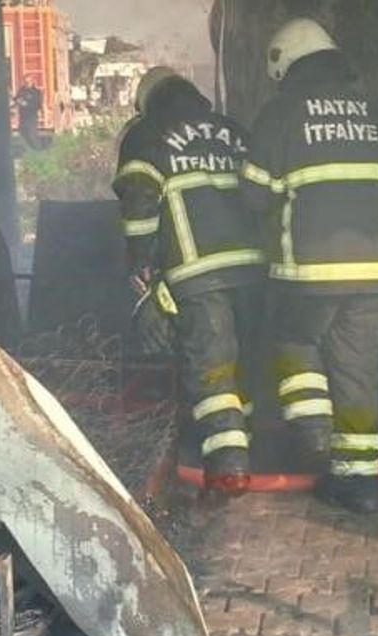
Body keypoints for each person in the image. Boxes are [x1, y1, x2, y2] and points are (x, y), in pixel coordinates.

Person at [240, 19, 378, 512]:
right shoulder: (371, 109)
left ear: (286, 65)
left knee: (293, 343)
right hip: (377, 273)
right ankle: (361, 482)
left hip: (310, 272)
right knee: (357, 371)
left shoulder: (282, 112)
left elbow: (254, 195)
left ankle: (314, 441)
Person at [113, 67, 267, 493]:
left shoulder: (146, 135)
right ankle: (246, 446)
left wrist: (140, 263)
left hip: (198, 272)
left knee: (212, 368)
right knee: (243, 366)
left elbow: (139, 201)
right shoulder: (231, 130)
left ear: (146, 102)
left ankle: (228, 467)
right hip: (254, 269)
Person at [13, 74, 44, 149]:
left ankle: (38, 149)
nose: (27, 83)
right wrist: (18, 101)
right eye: (26, 82)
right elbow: (16, 99)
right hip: (23, 116)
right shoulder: (21, 90)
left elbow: (38, 105)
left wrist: (26, 104)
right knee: (23, 134)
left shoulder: (36, 92)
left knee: (32, 134)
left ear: (32, 82)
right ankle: (27, 150)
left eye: (29, 81)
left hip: (31, 117)